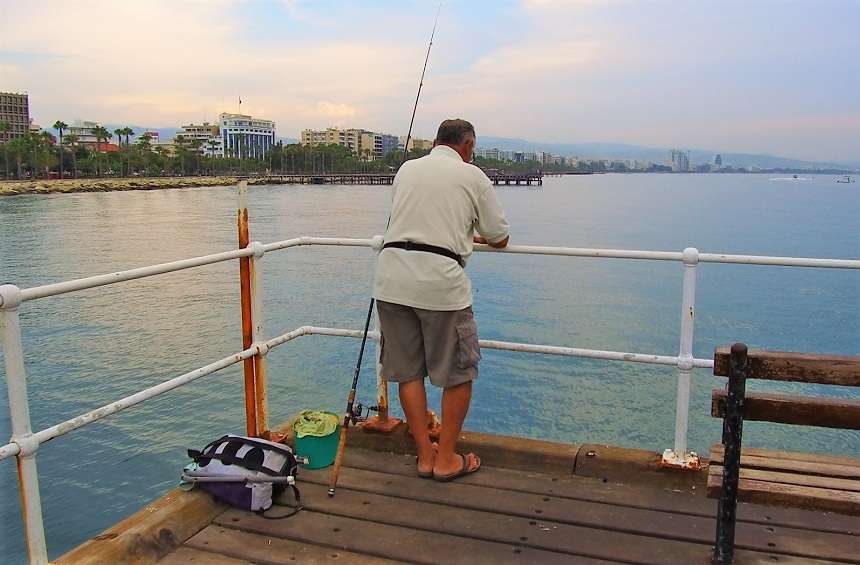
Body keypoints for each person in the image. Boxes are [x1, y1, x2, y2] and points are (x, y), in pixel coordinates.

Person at [372, 118, 509, 482]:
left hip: (391, 278)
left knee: (407, 372)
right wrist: (470, 235)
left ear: (435, 142)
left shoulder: (406, 169)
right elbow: (500, 235)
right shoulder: (473, 176)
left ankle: (424, 456)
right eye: (472, 150)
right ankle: (446, 458)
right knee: (458, 373)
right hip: (439, 283)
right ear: (467, 146)